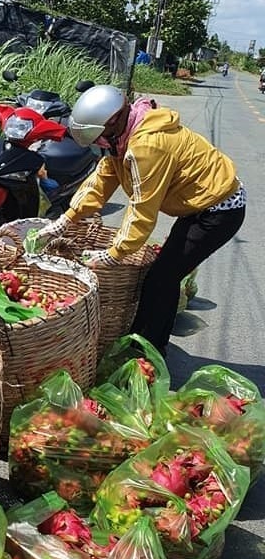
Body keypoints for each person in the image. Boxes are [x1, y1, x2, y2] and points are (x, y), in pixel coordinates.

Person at [35, 84, 246, 356]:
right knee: (163, 275)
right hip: (200, 205)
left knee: (162, 278)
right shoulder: (126, 133)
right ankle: (144, 339)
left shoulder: (147, 147)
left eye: (99, 138)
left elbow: (141, 208)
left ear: (112, 123)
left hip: (219, 209)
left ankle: (149, 350)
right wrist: (68, 218)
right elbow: (102, 179)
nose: (100, 145)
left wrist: (114, 253)